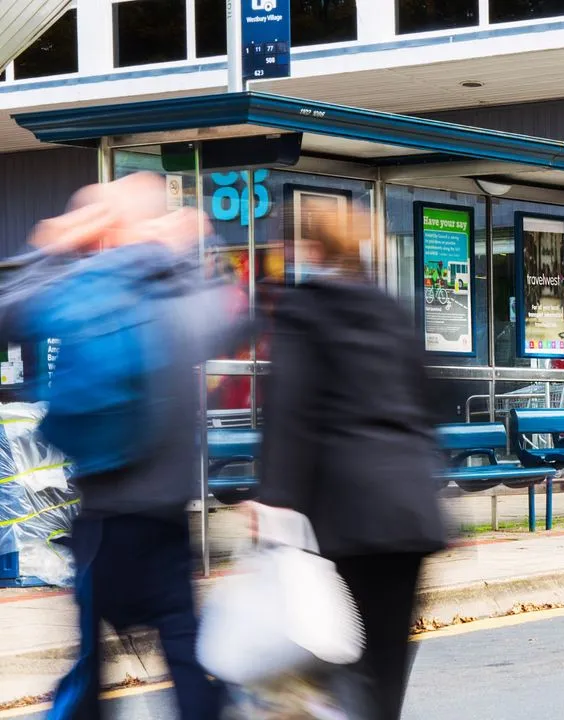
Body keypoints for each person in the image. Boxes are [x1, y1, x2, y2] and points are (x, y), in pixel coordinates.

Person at [3, 173, 246, 720]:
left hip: (105, 511)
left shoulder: (83, 290)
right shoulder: (180, 295)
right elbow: (233, 320)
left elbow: (9, 310)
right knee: (186, 656)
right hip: (165, 513)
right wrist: (191, 255)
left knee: (89, 666)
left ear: (105, 231)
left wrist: (49, 247)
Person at [257, 207, 447, 720]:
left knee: (334, 652)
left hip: (346, 514)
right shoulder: (391, 309)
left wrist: (275, 502)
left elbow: (290, 413)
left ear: (308, 250)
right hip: (409, 513)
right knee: (386, 660)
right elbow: (428, 399)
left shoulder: (303, 311)